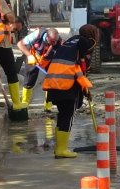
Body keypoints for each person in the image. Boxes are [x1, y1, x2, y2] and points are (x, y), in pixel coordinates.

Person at [41, 24, 99, 158]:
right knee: (68, 115)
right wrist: (85, 91)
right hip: (67, 85)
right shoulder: (86, 42)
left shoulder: (69, 42)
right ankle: (61, 149)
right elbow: (80, 69)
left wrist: (84, 91)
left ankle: (58, 148)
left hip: (55, 83)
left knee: (63, 114)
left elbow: (78, 68)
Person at [16, 25, 60, 110]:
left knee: (50, 81)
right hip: (33, 57)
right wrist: (29, 56)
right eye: (52, 41)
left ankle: (48, 107)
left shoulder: (59, 41)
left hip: (48, 60)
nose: (53, 44)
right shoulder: (37, 34)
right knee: (29, 80)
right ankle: (25, 104)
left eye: (55, 42)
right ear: (46, 37)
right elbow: (20, 44)